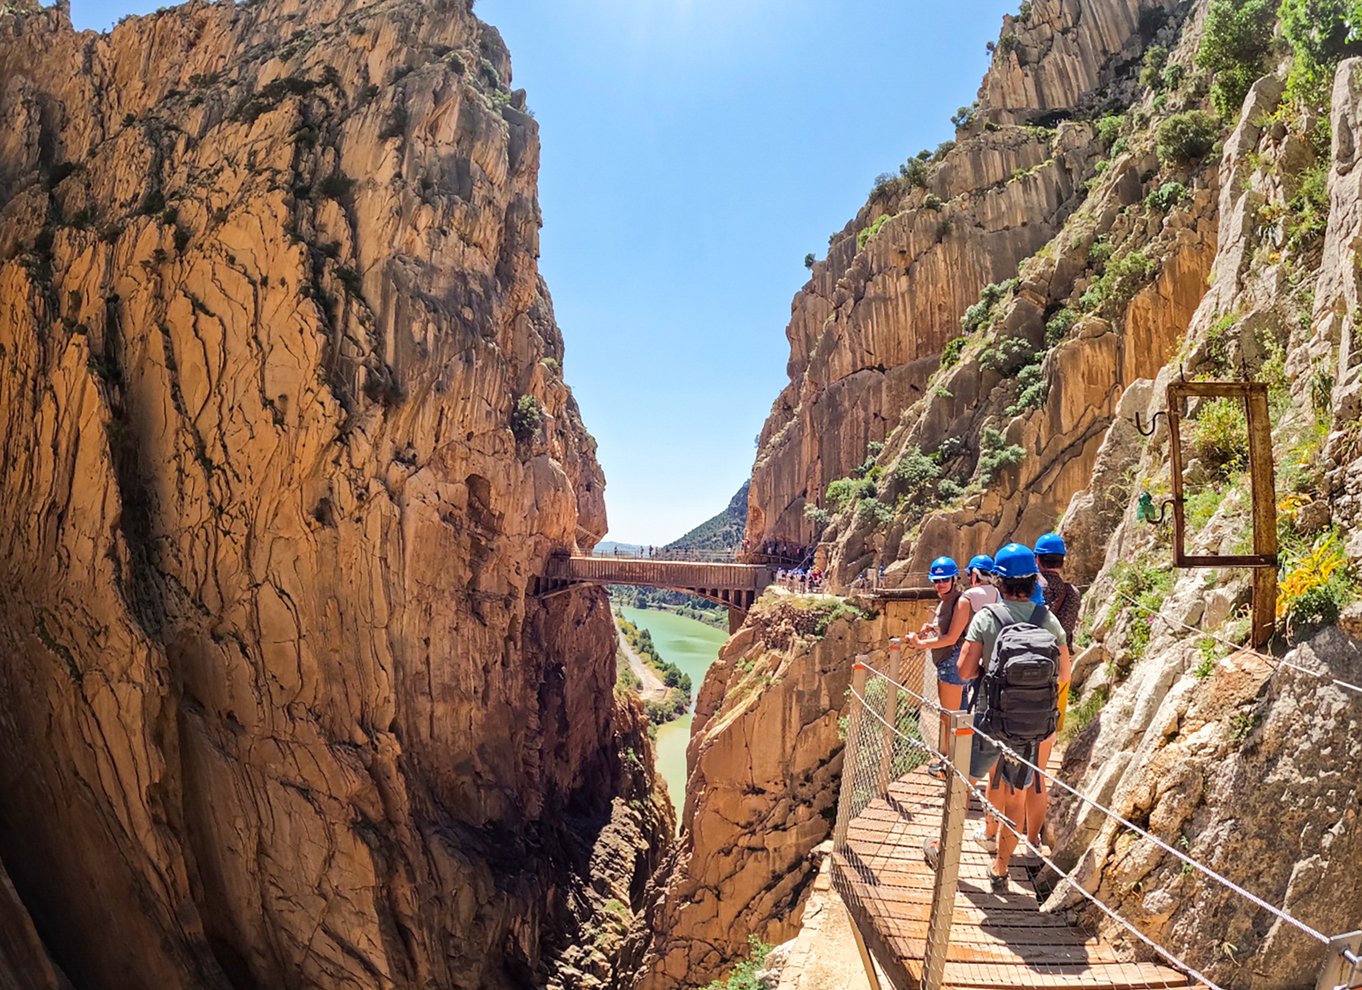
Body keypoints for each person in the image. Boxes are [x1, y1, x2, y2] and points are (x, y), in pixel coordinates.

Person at [937, 543, 1069, 892]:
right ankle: (1001, 868)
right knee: (1015, 794)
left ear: (1001, 581)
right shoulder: (1048, 620)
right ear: (1032, 580)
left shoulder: (988, 617)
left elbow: (965, 671)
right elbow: (1064, 674)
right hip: (1030, 724)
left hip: (988, 718)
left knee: (960, 779)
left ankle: (943, 850)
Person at [908, 557, 971, 776]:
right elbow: (946, 631)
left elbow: (952, 637)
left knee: (949, 717)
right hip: (947, 662)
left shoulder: (960, 601)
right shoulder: (946, 600)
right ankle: (954, 765)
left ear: (955, 578)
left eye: (945, 579)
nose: (940, 583)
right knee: (955, 716)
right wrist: (932, 628)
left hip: (952, 663)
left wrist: (920, 644)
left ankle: (949, 766)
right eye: (937, 580)